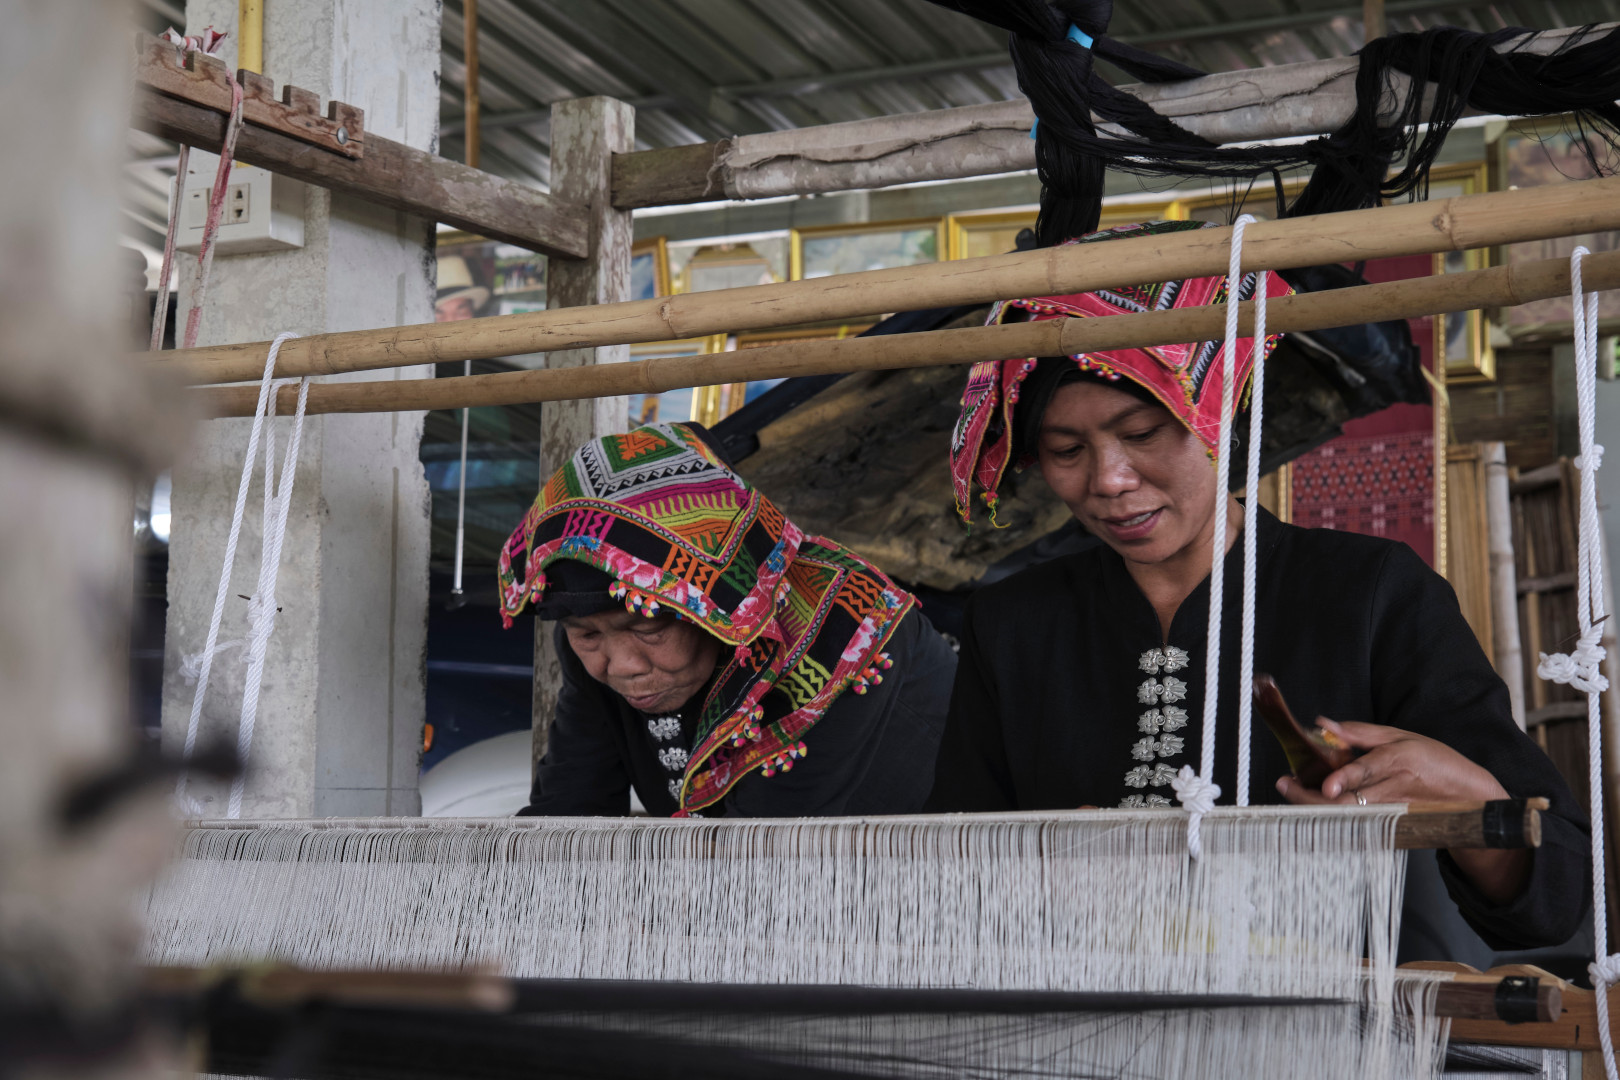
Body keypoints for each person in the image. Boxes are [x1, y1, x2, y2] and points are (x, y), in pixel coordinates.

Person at [928, 220, 1589, 953]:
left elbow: (1552, 899)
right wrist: (1040, 864)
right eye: (1066, 450)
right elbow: (951, 869)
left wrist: (1467, 797)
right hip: (1086, 1026)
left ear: (1218, 417)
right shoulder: (1015, 622)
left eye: (1144, 433)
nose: (1109, 480)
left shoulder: (1369, 592)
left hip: (1326, 1034)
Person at [499, 422, 957, 818]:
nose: (621, 666)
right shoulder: (591, 643)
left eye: (648, 629)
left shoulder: (845, 631)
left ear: (722, 603)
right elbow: (571, 806)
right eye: (587, 634)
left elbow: (754, 864)